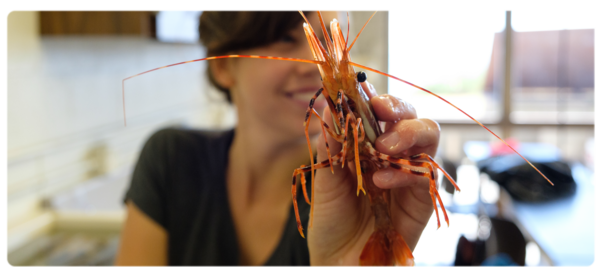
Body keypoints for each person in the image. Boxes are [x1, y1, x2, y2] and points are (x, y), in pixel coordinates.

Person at [115, 8, 441, 269]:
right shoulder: (170, 161)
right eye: (286, 38)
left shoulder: (348, 201)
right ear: (224, 67)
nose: (316, 65)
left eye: (330, 42)